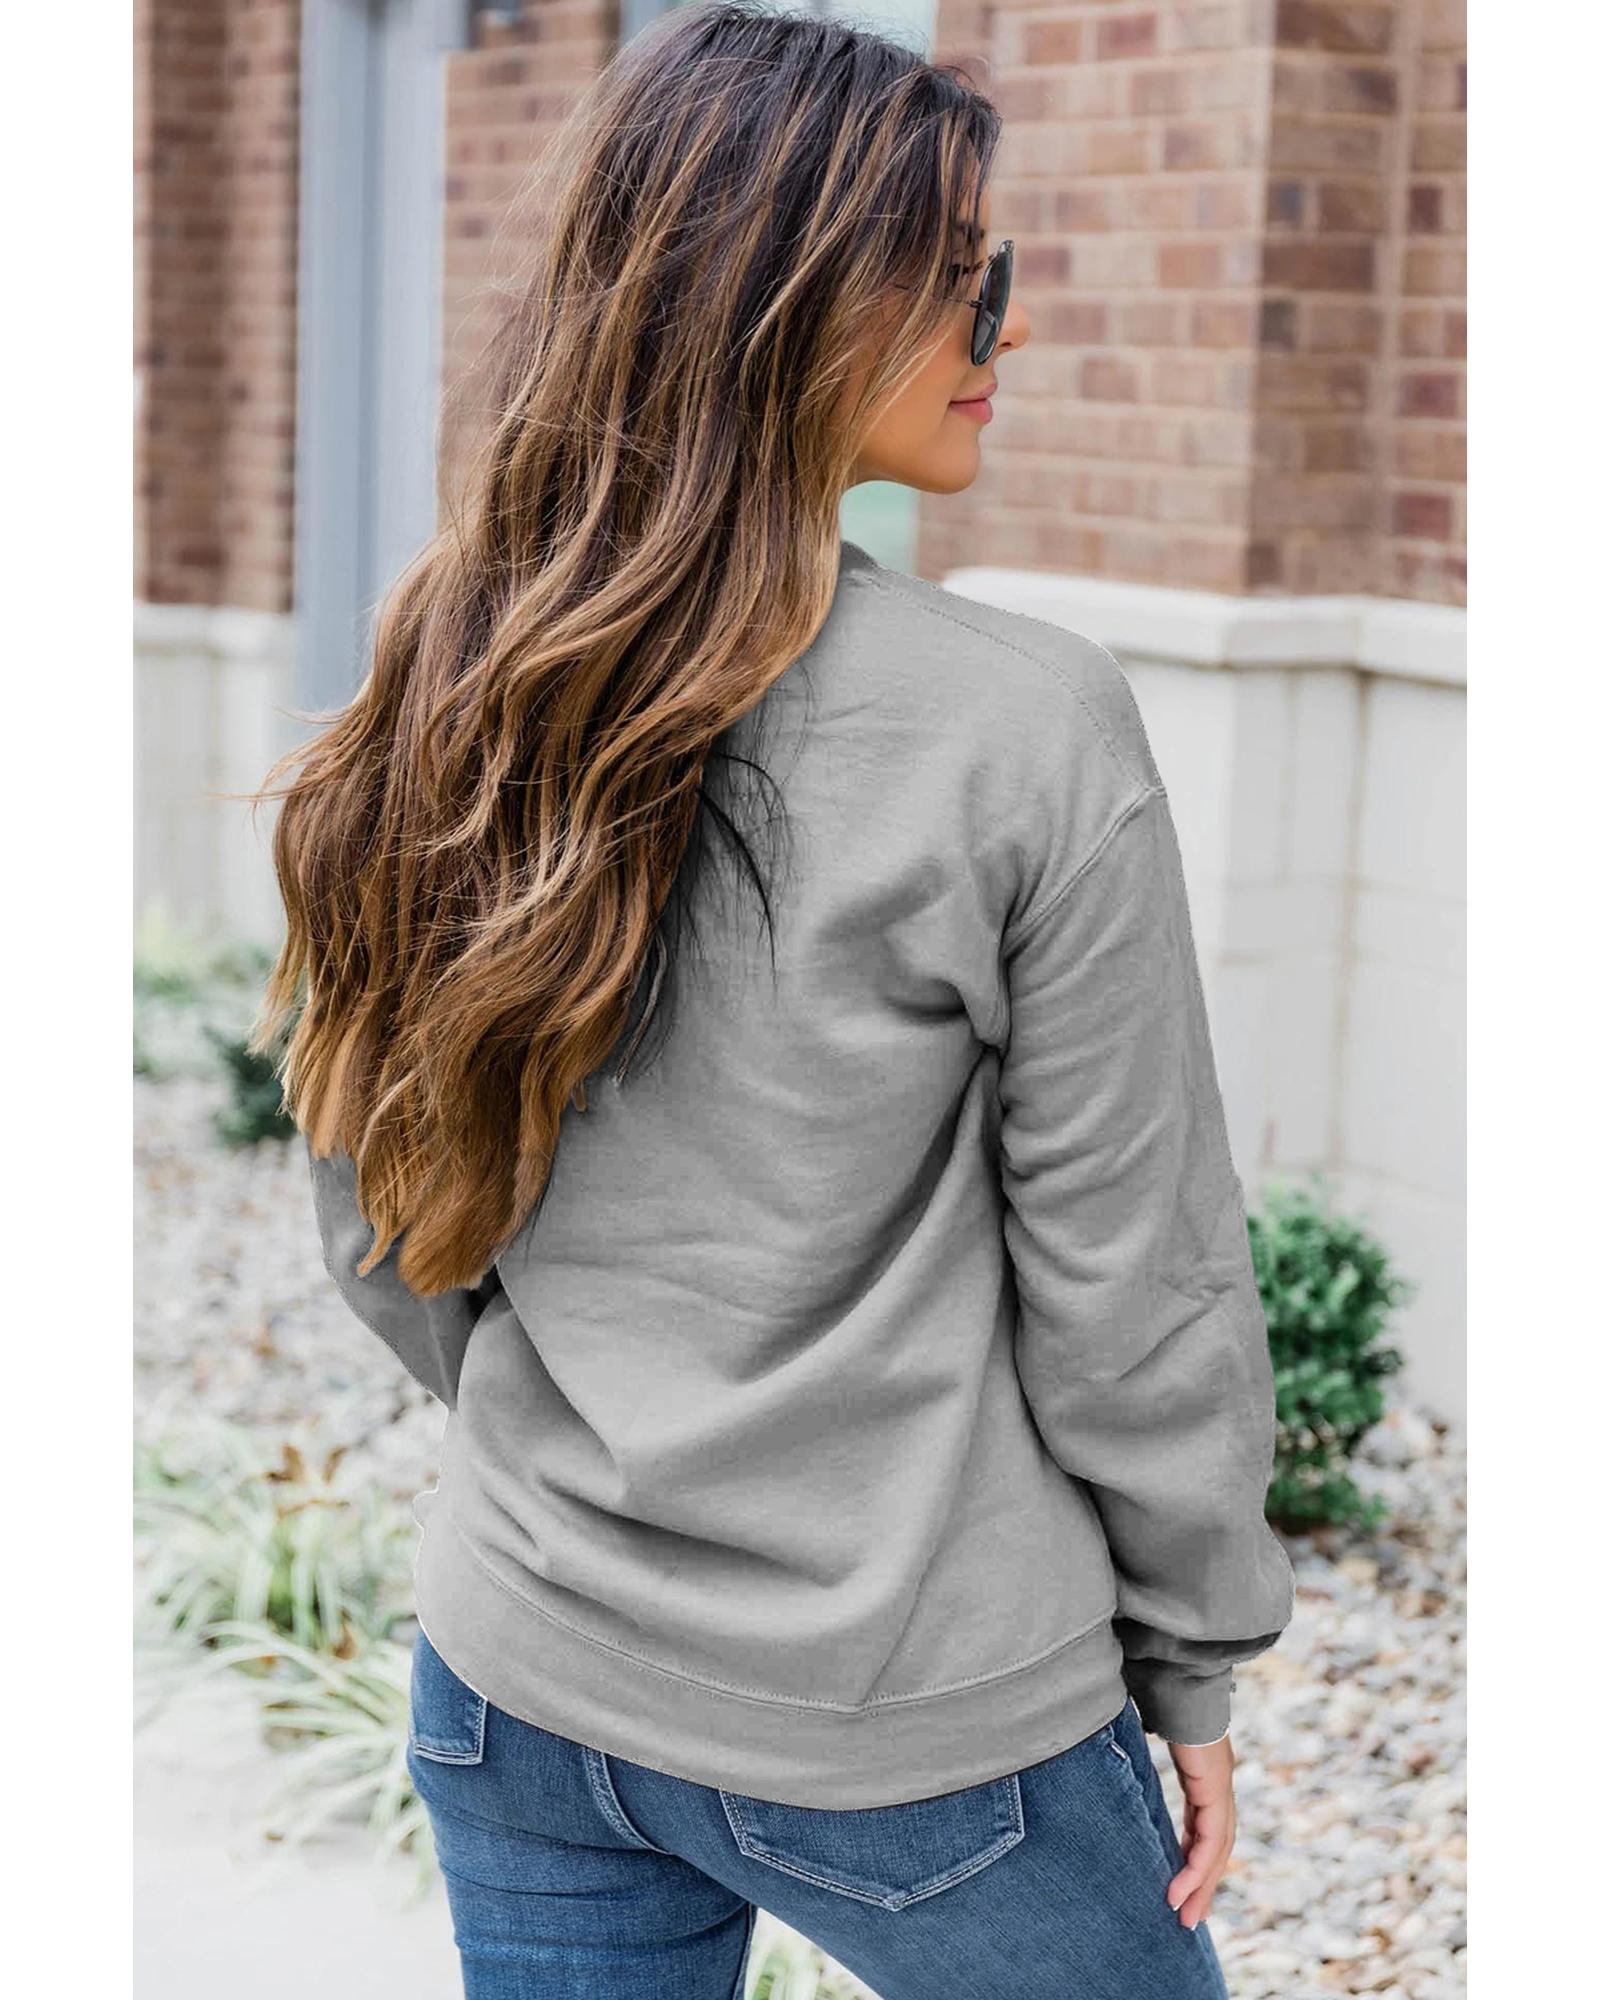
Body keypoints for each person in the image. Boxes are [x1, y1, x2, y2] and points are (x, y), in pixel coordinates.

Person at [253, 6, 1296, 1995]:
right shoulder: (1022, 725)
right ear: (783, 304)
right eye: (959, 274)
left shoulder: (449, 677)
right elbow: (1134, 1282)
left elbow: (381, 1207)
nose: (1005, 324)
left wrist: (592, 1451)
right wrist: (1192, 1657)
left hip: (520, 1677)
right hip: (915, 1735)